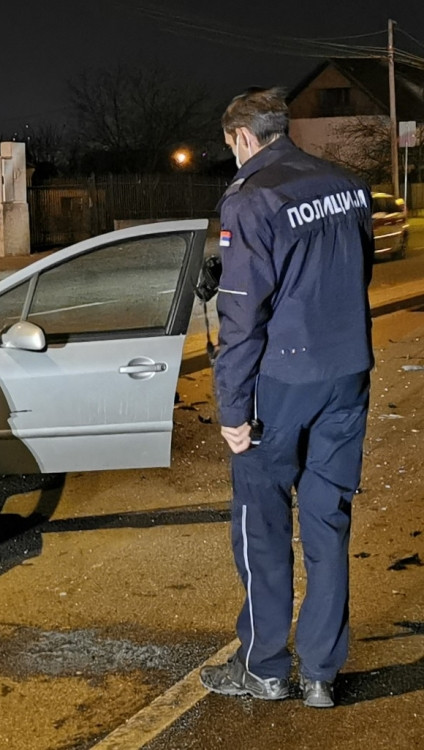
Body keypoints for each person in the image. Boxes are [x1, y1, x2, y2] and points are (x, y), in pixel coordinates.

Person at [199, 87, 374, 709]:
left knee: (262, 524)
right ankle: (322, 674)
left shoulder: (252, 196)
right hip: (347, 374)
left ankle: (266, 668)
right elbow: (358, 272)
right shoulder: (347, 185)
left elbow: (242, 316)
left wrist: (232, 410)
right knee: (328, 522)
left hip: (280, 383)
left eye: (231, 146)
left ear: (243, 136)